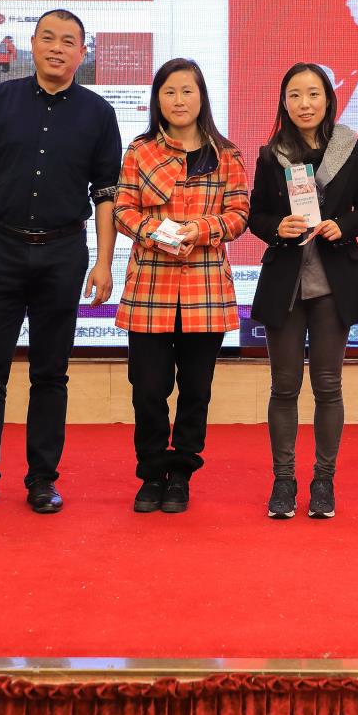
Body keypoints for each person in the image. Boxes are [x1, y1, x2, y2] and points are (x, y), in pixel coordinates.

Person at [0, 9, 122, 515]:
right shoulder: (0, 99)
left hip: (64, 253)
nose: (57, 48)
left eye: (68, 41)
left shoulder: (98, 113)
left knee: (50, 373)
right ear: (33, 44)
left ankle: (42, 479)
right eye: (48, 38)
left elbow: (106, 193)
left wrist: (104, 263)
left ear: (82, 53)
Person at [113, 59, 249, 513]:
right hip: (149, 287)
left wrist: (201, 230)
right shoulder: (140, 151)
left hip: (205, 291)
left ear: (202, 96)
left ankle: (182, 475)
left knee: (196, 391)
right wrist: (156, 232)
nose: (178, 100)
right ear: (158, 99)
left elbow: (239, 214)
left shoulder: (226, 154)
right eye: (169, 92)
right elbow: (123, 210)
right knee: (148, 389)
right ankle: (152, 473)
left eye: (187, 91)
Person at [248, 63, 358, 520]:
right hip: (285, 283)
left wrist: (343, 225)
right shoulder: (271, 155)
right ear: (284, 103)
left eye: (313, 94)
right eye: (295, 95)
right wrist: (275, 227)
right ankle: (283, 481)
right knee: (284, 387)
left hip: (332, 284)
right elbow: (256, 214)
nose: (305, 104)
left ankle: (324, 481)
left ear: (328, 99)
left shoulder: (352, 149)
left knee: (328, 386)